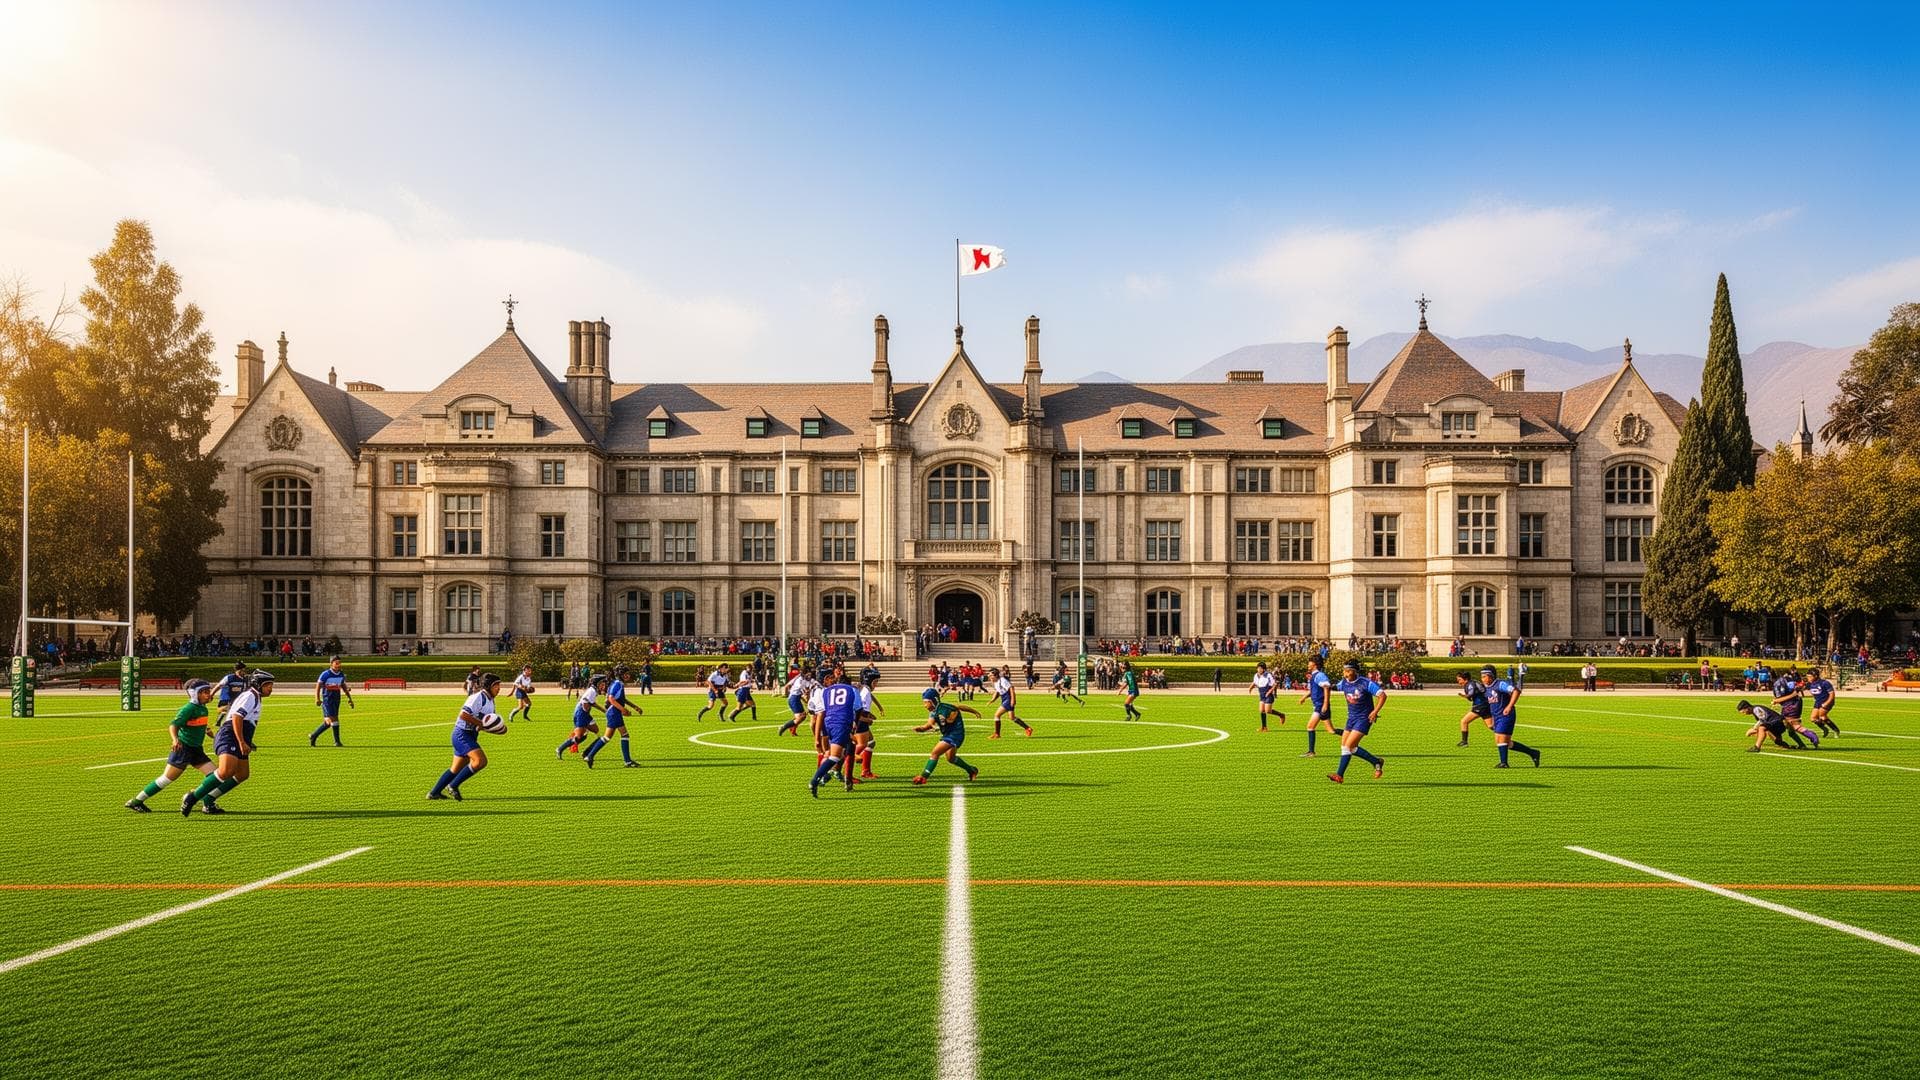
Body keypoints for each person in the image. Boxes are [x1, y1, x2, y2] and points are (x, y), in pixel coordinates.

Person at [181, 670, 275, 815]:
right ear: (258, 685)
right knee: (226, 771)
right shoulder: (250, 696)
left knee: (242, 774)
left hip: (239, 737)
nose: (270, 688)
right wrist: (242, 742)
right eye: (268, 685)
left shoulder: (255, 696)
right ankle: (192, 797)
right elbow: (237, 718)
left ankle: (208, 800)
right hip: (230, 736)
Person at [124, 679, 219, 813]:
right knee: (166, 779)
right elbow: (173, 725)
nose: (208, 695)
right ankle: (136, 801)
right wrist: (175, 740)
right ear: (194, 694)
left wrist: (208, 731)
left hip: (196, 749)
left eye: (208, 692)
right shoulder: (189, 708)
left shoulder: (202, 708)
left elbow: (196, 724)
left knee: (216, 776)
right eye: (205, 692)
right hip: (183, 749)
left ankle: (201, 800)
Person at [429, 672, 502, 800]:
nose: (499, 688)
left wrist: (498, 729)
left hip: (471, 735)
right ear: (488, 686)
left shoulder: (491, 701)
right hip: (461, 734)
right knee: (480, 761)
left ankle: (434, 793)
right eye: (496, 685)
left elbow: (486, 724)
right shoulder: (478, 697)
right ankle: (453, 786)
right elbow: (463, 715)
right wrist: (481, 724)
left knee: (455, 769)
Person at [1327, 659, 1385, 783]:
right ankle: (1376, 761)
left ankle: (1339, 775)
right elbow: (1334, 687)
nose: (1345, 673)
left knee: (1349, 746)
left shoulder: (1365, 683)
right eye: (1344, 671)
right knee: (1346, 748)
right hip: (1351, 718)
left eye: (1347, 671)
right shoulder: (1344, 682)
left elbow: (1382, 695)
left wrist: (1375, 712)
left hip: (1364, 718)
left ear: (1354, 671)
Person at [912, 687, 982, 786]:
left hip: (955, 734)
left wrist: (974, 712)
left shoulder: (945, 708)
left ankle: (924, 777)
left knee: (935, 753)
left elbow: (959, 707)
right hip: (949, 734)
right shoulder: (933, 712)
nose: (924, 705)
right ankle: (972, 770)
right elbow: (929, 724)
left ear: (933, 701)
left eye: (926, 702)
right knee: (950, 758)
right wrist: (921, 729)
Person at [809, 668, 859, 797]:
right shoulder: (852, 690)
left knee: (849, 747)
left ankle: (846, 779)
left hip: (829, 723)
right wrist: (854, 725)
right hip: (841, 724)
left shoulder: (826, 691)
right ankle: (816, 780)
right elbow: (858, 709)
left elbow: (823, 711)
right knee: (835, 756)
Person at [1480, 664, 1541, 768]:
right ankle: (1533, 753)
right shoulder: (1487, 689)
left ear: (1491, 676)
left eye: (1484, 676)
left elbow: (1516, 691)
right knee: (1505, 742)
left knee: (1502, 739)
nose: (1482, 679)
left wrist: (1509, 706)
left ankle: (1504, 763)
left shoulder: (1499, 684)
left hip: (1506, 716)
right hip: (1497, 717)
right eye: (1482, 677)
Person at [585, 666, 642, 768]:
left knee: (609, 737)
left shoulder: (616, 683)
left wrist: (634, 707)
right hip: (614, 712)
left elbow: (620, 698)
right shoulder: (618, 684)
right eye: (626, 673)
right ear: (621, 674)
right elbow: (611, 699)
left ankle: (590, 756)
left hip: (613, 712)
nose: (628, 675)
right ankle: (627, 761)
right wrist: (623, 710)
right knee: (623, 735)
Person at [558, 673, 606, 758]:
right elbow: (585, 703)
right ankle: (560, 748)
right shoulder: (592, 691)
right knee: (579, 737)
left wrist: (605, 711)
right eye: (602, 683)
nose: (603, 685)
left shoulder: (593, 691)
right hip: (581, 714)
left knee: (597, 733)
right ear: (597, 683)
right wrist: (586, 713)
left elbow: (592, 703)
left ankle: (587, 753)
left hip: (584, 714)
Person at [1297, 655, 1337, 757]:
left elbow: (1326, 688)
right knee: (1331, 730)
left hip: (1320, 706)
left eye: (1309, 662)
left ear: (1314, 664)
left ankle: (1311, 752)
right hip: (1318, 705)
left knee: (1310, 726)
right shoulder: (1314, 676)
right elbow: (1313, 690)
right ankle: (1349, 734)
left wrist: (1325, 704)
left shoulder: (1320, 675)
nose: (1308, 664)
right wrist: (1304, 697)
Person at [309, 655, 353, 747]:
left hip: (336, 699)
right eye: (336, 663)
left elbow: (343, 686)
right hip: (327, 699)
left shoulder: (341, 674)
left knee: (332, 721)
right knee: (332, 720)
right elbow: (318, 686)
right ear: (331, 664)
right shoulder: (326, 674)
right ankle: (334, 741)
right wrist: (317, 698)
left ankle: (316, 736)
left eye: (339, 663)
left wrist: (349, 698)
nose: (338, 665)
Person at [1770, 671, 1820, 747]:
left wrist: (1776, 701)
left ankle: (1812, 736)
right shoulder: (1787, 679)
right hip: (1796, 703)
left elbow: (1782, 697)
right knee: (1790, 728)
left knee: (1794, 725)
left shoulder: (1777, 683)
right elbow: (1795, 688)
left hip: (1790, 706)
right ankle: (1802, 745)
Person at [1737, 699, 1806, 751]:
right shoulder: (1755, 710)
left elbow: (1763, 719)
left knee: (1762, 728)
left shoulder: (1756, 709)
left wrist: (1754, 729)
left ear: (1747, 708)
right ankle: (1795, 746)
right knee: (1778, 741)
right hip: (1774, 724)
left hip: (1778, 722)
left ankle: (1757, 747)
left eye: (1743, 711)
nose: (1744, 713)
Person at [990, 665, 1033, 738]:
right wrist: (993, 700)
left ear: (995, 675)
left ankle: (997, 734)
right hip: (1004, 698)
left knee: (997, 715)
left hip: (1008, 699)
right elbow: (998, 692)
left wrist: (1013, 699)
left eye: (990, 675)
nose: (989, 676)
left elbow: (1011, 688)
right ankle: (1028, 728)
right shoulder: (995, 682)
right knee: (1012, 717)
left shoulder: (1002, 680)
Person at [1454, 670, 1492, 747]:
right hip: (1485, 705)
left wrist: (1465, 696)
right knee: (1491, 726)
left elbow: (1471, 693)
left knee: (1464, 721)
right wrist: (1468, 697)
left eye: (1459, 679)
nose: (1458, 682)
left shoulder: (1470, 684)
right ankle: (1504, 733)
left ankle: (1464, 742)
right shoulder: (1472, 682)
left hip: (1480, 706)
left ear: (1465, 678)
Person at [778, 665, 815, 737]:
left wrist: (789, 693)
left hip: (794, 698)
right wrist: (808, 701)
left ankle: (792, 730)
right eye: (809, 672)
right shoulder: (802, 681)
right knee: (800, 718)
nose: (810, 674)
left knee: (802, 716)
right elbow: (805, 693)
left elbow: (787, 685)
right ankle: (783, 727)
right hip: (794, 699)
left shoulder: (798, 677)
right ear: (806, 672)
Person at [1248, 662, 1285, 732]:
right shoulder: (1256, 675)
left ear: (1264, 669)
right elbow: (1254, 683)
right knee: (1261, 710)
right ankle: (1264, 727)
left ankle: (1281, 715)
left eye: (1260, 668)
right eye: (1258, 668)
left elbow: (1274, 684)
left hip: (1268, 695)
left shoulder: (1268, 675)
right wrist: (1250, 688)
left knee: (1268, 710)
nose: (1259, 669)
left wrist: (1270, 691)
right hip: (1262, 695)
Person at [1803, 668, 1840, 737]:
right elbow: (1809, 691)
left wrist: (1827, 703)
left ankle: (1836, 730)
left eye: (1810, 676)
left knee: (1822, 716)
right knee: (1813, 718)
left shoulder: (1824, 683)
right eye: (1807, 676)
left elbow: (1832, 695)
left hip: (1827, 701)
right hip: (1818, 702)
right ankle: (1825, 729)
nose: (1808, 678)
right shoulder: (1809, 684)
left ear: (1815, 676)